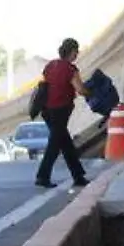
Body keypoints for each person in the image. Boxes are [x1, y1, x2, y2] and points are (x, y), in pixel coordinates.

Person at [37, 38, 91, 189]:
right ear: (72, 51)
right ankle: (42, 176)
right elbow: (80, 90)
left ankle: (78, 176)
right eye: (76, 51)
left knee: (65, 143)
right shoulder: (70, 69)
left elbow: (46, 84)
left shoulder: (49, 65)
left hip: (47, 110)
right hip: (60, 110)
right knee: (55, 144)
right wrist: (91, 92)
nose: (77, 54)